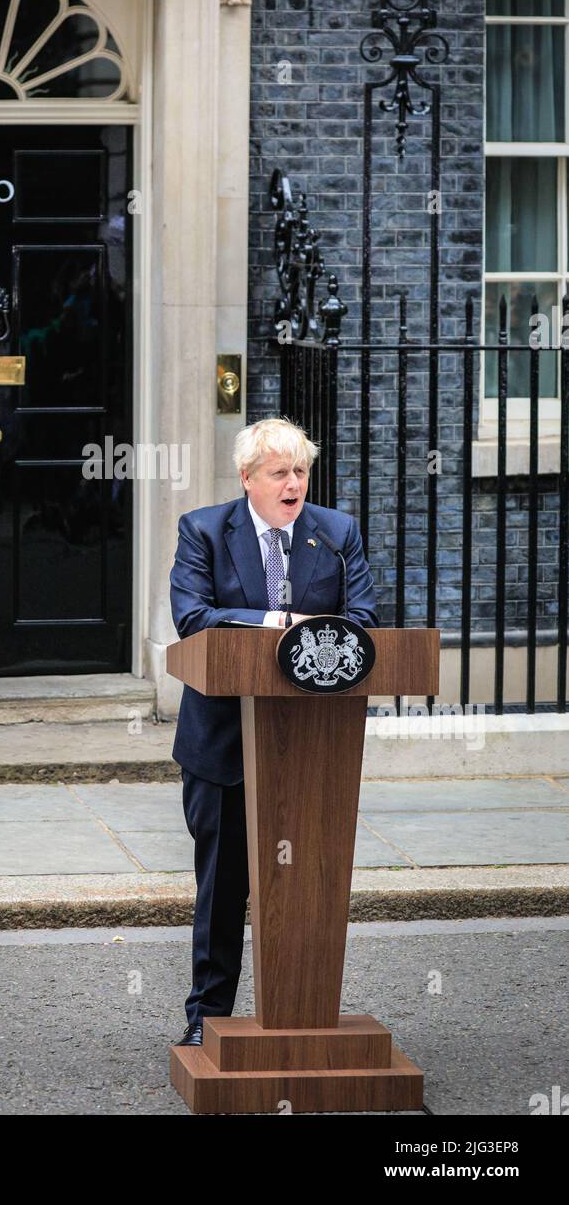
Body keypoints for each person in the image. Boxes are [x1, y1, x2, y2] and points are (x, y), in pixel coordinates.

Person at [168, 416, 378, 1046]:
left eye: (301, 471)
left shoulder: (337, 534)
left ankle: (301, 1017)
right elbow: (193, 618)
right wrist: (276, 619)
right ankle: (208, 1020)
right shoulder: (204, 530)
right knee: (223, 889)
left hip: (312, 745)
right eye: (280, 473)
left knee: (308, 883)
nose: (294, 485)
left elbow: (363, 618)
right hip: (224, 744)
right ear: (247, 478)